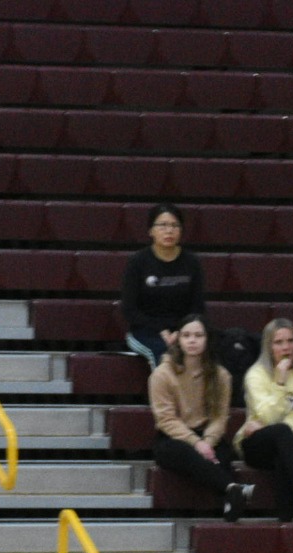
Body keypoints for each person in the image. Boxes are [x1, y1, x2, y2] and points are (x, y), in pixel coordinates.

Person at [147, 313, 245, 520]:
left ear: (207, 339)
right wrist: (196, 443)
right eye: (186, 335)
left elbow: (219, 417)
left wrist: (207, 441)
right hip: (173, 437)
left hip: (208, 435)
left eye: (198, 335)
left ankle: (230, 504)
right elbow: (165, 419)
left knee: (223, 454)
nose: (192, 340)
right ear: (178, 339)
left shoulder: (221, 375)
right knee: (186, 453)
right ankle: (231, 487)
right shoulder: (161, 374)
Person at [235, 318, 293, 520]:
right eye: (278, 342)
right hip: (257, 445)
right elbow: (268, 415)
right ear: (269, 346)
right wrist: (279, 382)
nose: (286, 347)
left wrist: (273, 427)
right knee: (284, 436)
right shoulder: (256, 375)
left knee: (286, 452)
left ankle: (285, 523)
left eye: (291, 340)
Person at [118, 204, 204, 363]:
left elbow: (197, 306)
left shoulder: (192, 262)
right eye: (162, 225)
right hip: (145, 331)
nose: (169, 230)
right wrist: (160, 330)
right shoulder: (138, 262)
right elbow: (129, 310)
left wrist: (181, 331)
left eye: (174, 225)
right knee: (163, 355)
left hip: (184, 330)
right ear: (151, 231)